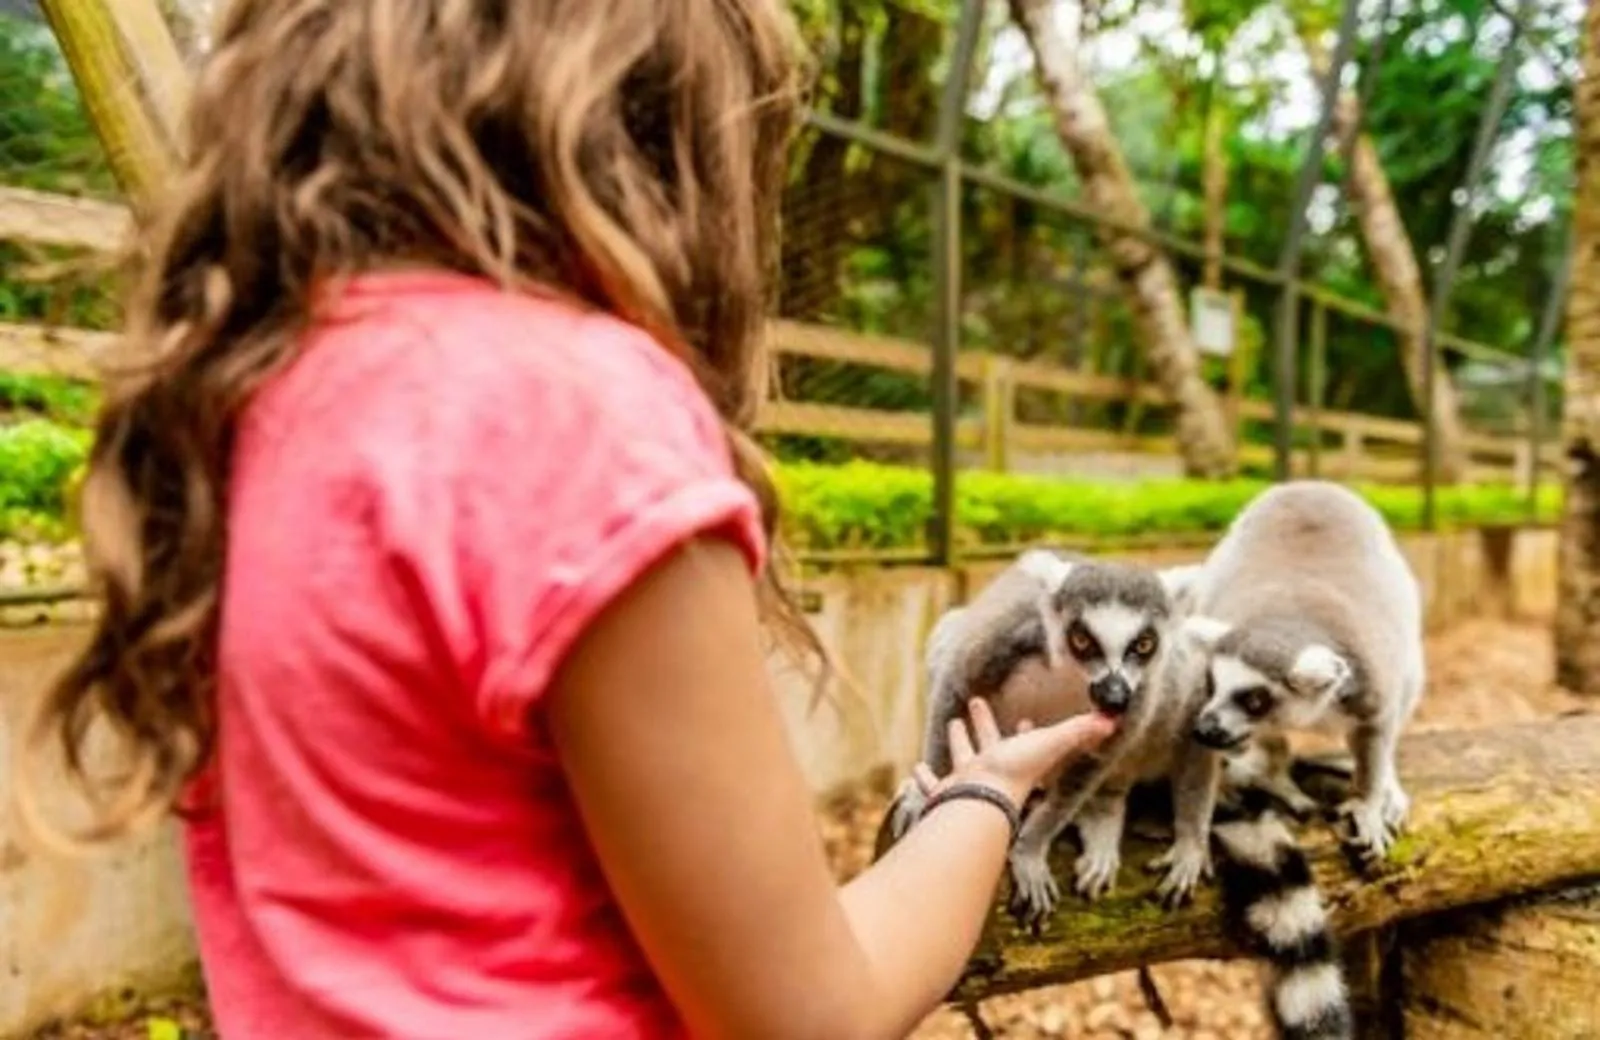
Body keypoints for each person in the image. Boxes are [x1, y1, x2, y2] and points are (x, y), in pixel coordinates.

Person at [16, 2, 1117, 1038]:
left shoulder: (252, 395)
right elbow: (805, 1011)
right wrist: (984, 797)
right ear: (654, 130)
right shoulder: (576, 413)